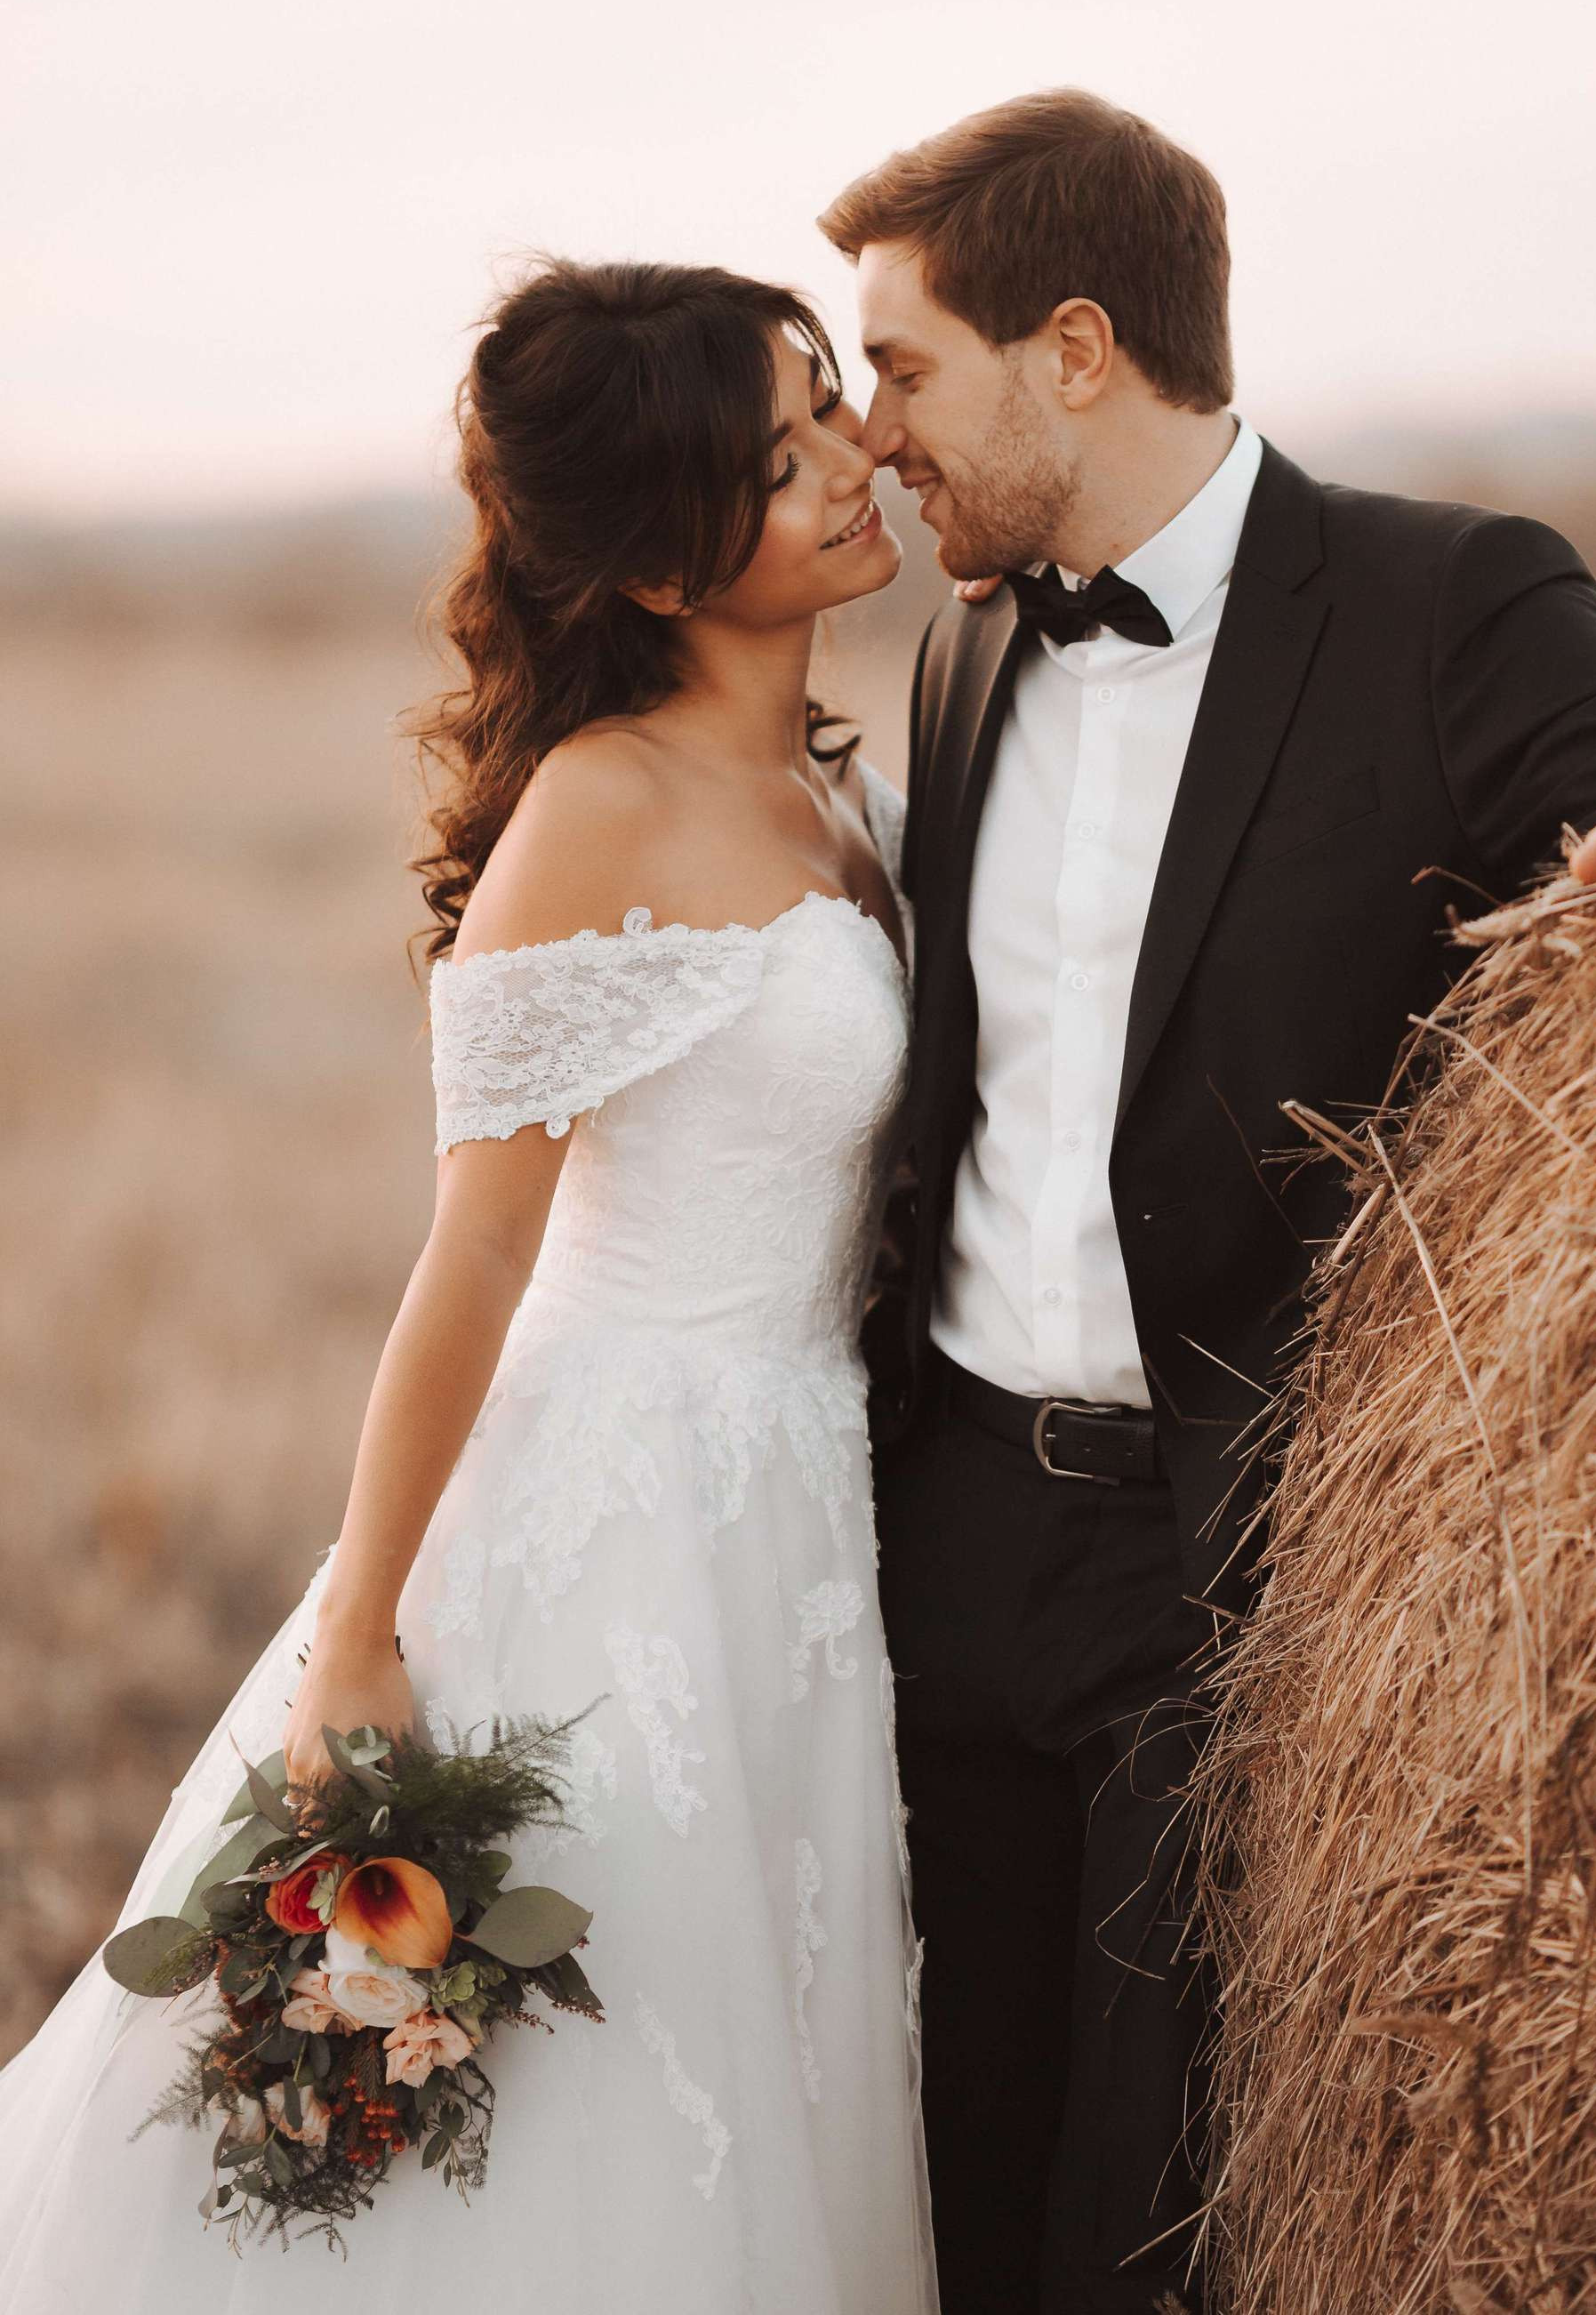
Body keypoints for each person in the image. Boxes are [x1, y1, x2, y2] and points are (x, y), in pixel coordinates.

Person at [816, 88, 1596, 2315]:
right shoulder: (968, 640)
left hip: (1219, 1564)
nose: (870, 434)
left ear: (1071, 348)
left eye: (902, 368)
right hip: (941, 1520)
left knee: (1142, 2213)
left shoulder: (1448, 597)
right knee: (945, 2144)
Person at [0, 260, 939, 2315]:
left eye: (828, 408)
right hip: (617, 1519)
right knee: (564, 2108)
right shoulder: (602, 807)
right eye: (781, 461)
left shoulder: (851, 796)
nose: (853, 461)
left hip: (798, 1520)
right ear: (665, 558)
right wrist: (359, 1634)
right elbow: (477, 1254)